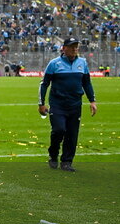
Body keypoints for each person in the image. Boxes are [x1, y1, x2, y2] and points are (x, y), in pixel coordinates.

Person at [39, 37, 97, 171]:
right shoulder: (54, 64)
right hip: (58, 104)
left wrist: (92, 101)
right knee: (59, 130)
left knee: (72, 134)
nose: (74, 49)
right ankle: (53, 154)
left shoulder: (82, 63)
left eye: (76, 46)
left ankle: (66, 162)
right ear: (64, 48)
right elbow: (44, 84)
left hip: (75, 104)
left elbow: (87, 83)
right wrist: (41, 103)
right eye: (71, 46)